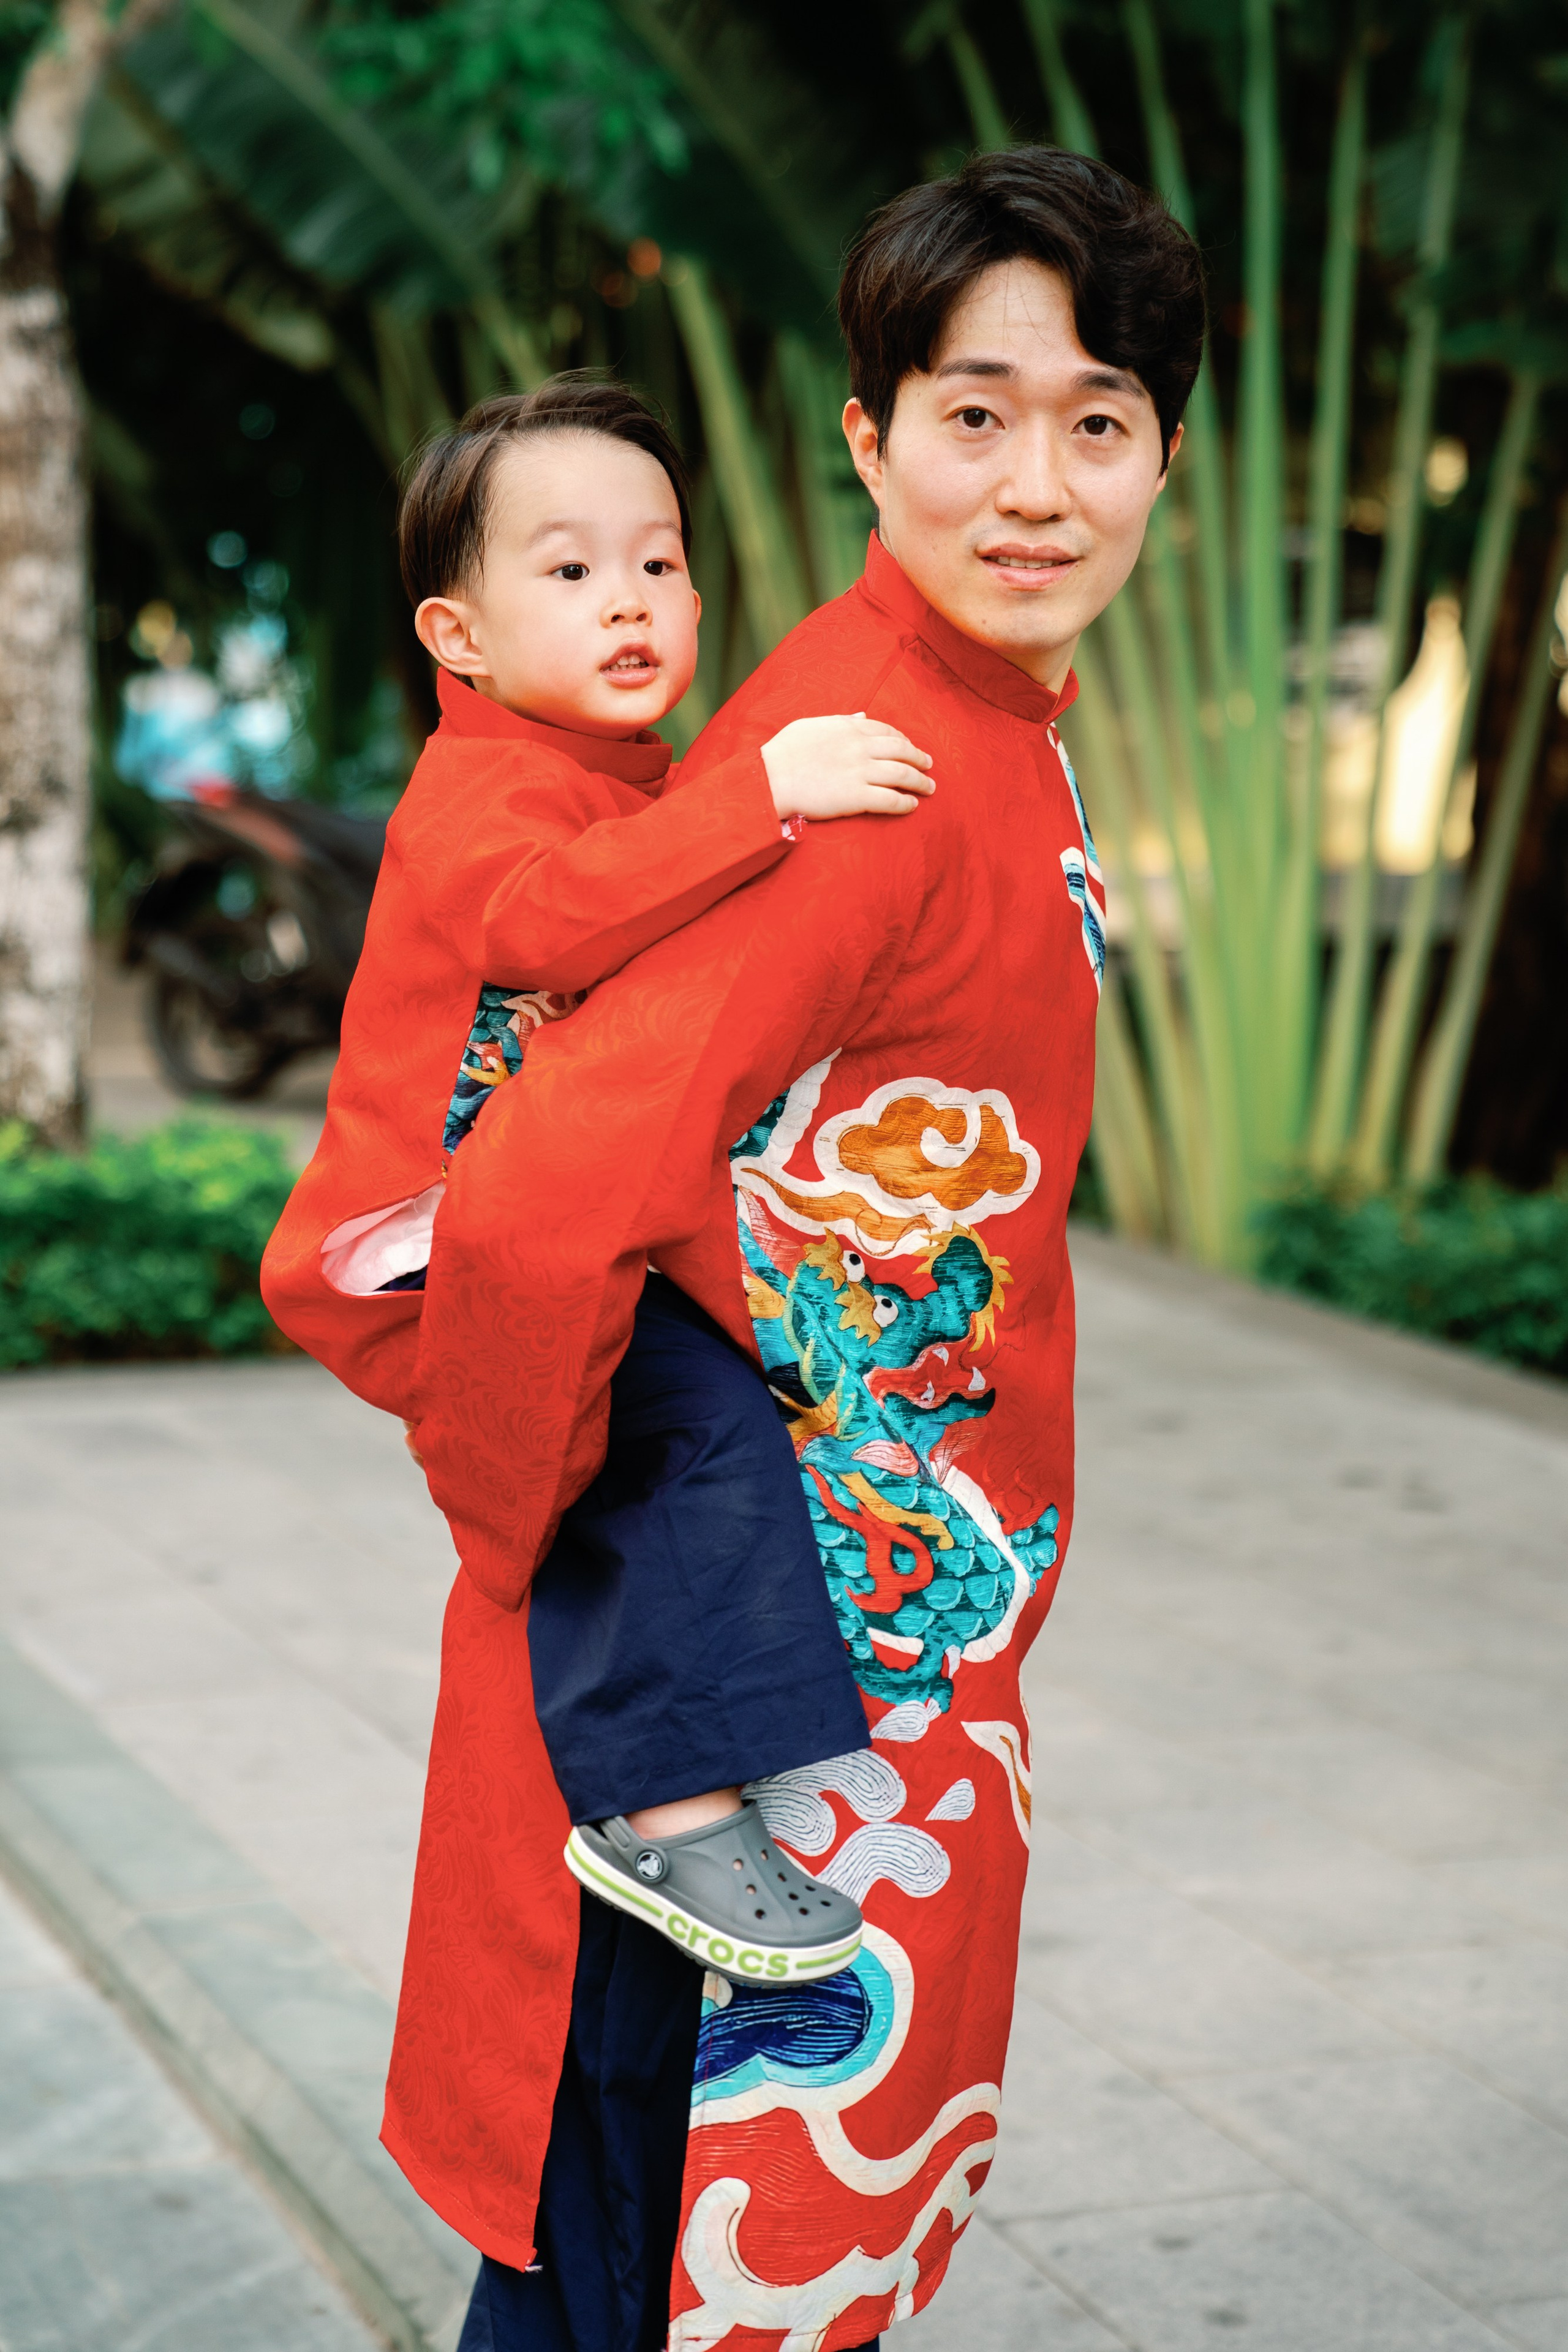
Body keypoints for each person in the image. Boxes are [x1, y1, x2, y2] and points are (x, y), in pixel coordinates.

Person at [375, 145, 1206, 2352]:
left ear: (1160, 457)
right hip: (764, 1724)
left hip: (852, 1669)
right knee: (661, 2273)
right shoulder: (870, 785)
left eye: (1097, 422)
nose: (1037, 485)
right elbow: (545, 1194)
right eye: (975, 414)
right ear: (870, 435)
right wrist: (555, 1549)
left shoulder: (961, 724)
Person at [262, 375, 940, 1983]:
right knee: (667, 1439)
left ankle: (716, 1748)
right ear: (459, 637)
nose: (630, 600)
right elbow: (546, 923)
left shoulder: (635, 776)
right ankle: (672, 1804)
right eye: (568, 571)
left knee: (674, 1428)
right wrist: (767, 790)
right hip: (432, 1237)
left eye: (660, 562)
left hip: (548, 1214)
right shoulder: (485, 788)